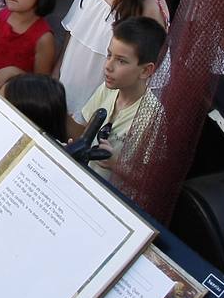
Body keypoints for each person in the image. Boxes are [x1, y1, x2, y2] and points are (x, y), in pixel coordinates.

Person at [67, 16, 167, 180]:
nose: (108, 66)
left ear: (145, 71)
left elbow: (150, 179)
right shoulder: (106, 90)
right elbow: (81, 130)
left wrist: (117, 165)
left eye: (121, 61)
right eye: (109, 55)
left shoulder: (152, 115)